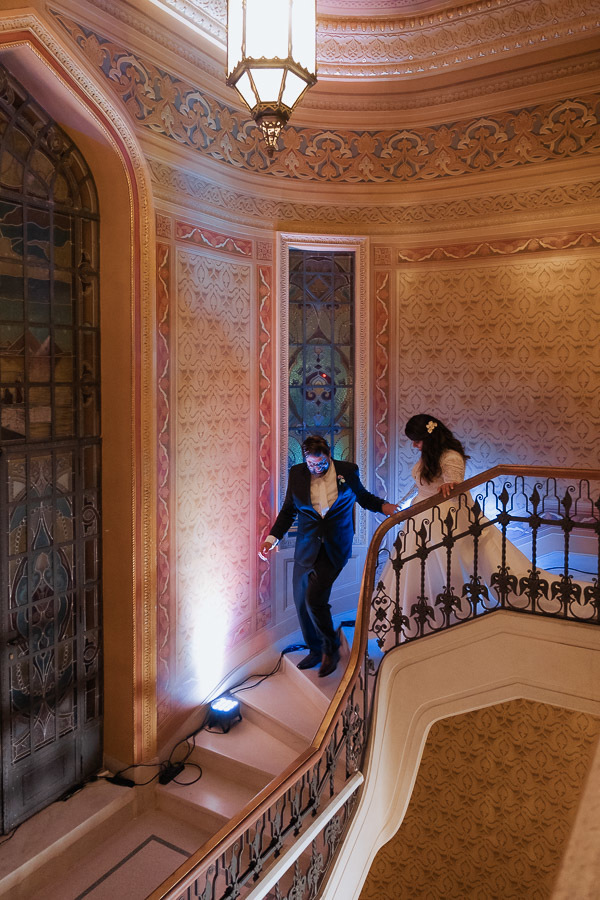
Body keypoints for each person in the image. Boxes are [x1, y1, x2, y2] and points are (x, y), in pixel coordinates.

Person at [376, 414, 591, 644]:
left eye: (417, 440)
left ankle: (443, 621)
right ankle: (414, 623)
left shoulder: (450, 456)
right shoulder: (429, 456)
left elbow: (455, 483)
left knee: (446, 570)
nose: (414, 445)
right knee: (414, 571)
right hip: (420, 520)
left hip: (442, 520)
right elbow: (422, 484)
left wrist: (452, 485)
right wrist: (404, 504)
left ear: (429, 436)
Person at [259, 434, 398, 677]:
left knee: (314, 598)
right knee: (302, 601)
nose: (317, 468)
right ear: (305, 460)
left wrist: (385, 507)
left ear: (329, 456)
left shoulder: (348, 471)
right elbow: (289, 510)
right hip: (306, 547)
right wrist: (273, 538)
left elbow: (363, 498)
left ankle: (331, 648)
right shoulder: (297, 473)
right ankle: (315, 649)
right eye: (312, 464)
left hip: (335, 547)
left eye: (321, 463)